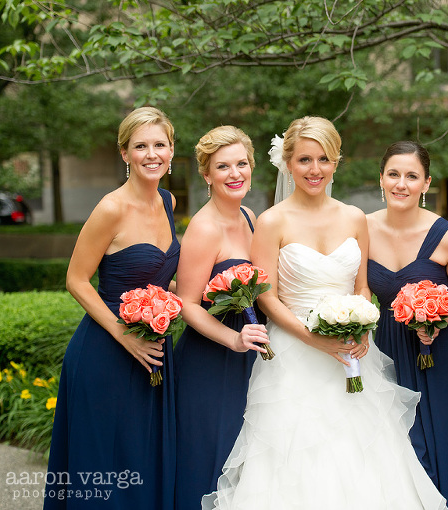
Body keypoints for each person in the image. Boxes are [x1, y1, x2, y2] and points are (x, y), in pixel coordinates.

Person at [202, 116, 446, 510]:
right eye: (304, 160)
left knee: (362, 459)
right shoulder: (271, 221)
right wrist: (312, 338)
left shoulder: (353, 217)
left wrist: (363, 326)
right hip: (292, 357)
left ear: (336, 162)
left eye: (324, 159)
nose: (314, 170)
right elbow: (266, 297)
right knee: (294, 461)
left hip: (351, 355)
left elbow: (362, 285)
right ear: (288, 162)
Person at [44, 106, 179, 509]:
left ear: (172, 151)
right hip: (106, 352)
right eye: (141, 146)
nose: (151, 154)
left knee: (141, 459)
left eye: (160, 144)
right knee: (105, 467)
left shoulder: (168, 201)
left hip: (153, 350)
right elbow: (76, 279)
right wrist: (124, 335)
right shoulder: (111, 209)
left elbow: (159, 276)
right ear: (124, 154)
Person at [367, 141, 448, 509]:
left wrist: (440, 315)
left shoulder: (447, 236)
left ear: (426, 184)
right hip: (386, 351)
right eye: (394, 174)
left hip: (440, 351)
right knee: (399, 444)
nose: (401, 183)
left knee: (443, 439)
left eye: (412, 176)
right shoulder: (362, 230)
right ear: (381, 178)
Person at [173, 125, 269, 508]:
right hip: (211, 360)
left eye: (242, 164)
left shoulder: (249, 216)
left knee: (247, 460)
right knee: (214, 455)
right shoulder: (203, 228)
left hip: (250, 356)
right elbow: (187, 302)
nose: (235, 174)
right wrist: (233, 338)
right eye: (223, 166)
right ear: (207, 175)